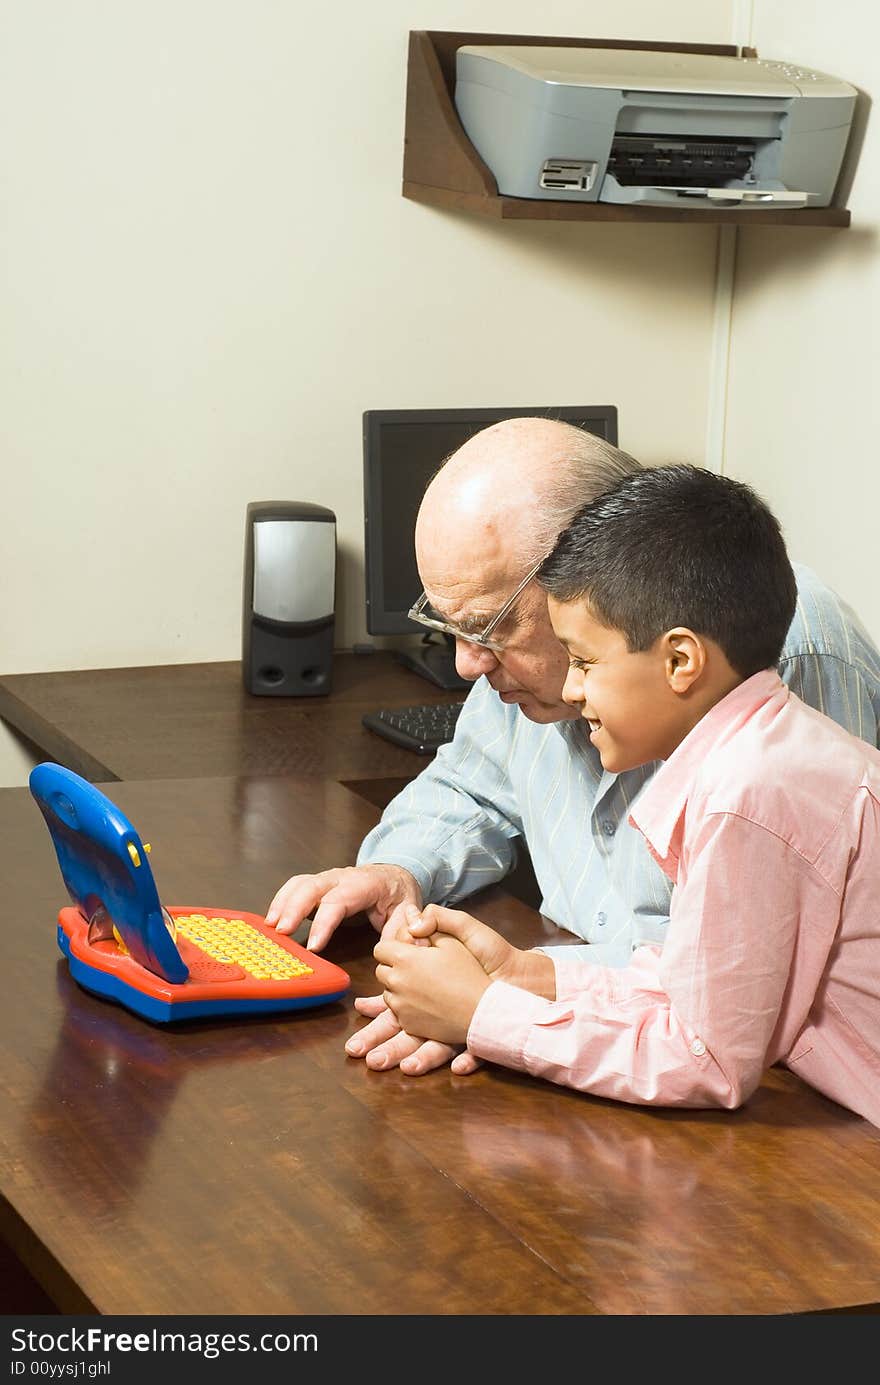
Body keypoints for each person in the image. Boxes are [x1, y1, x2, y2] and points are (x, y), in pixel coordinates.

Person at [266, 417, 880, 1076]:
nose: (469, 663)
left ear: (593, 565)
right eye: (452, 627)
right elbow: (468, 788)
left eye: (489, 626)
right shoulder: (524, 664)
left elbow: (732, 1007)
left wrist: (491, 1006)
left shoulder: (782, 662)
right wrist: (402, 872)